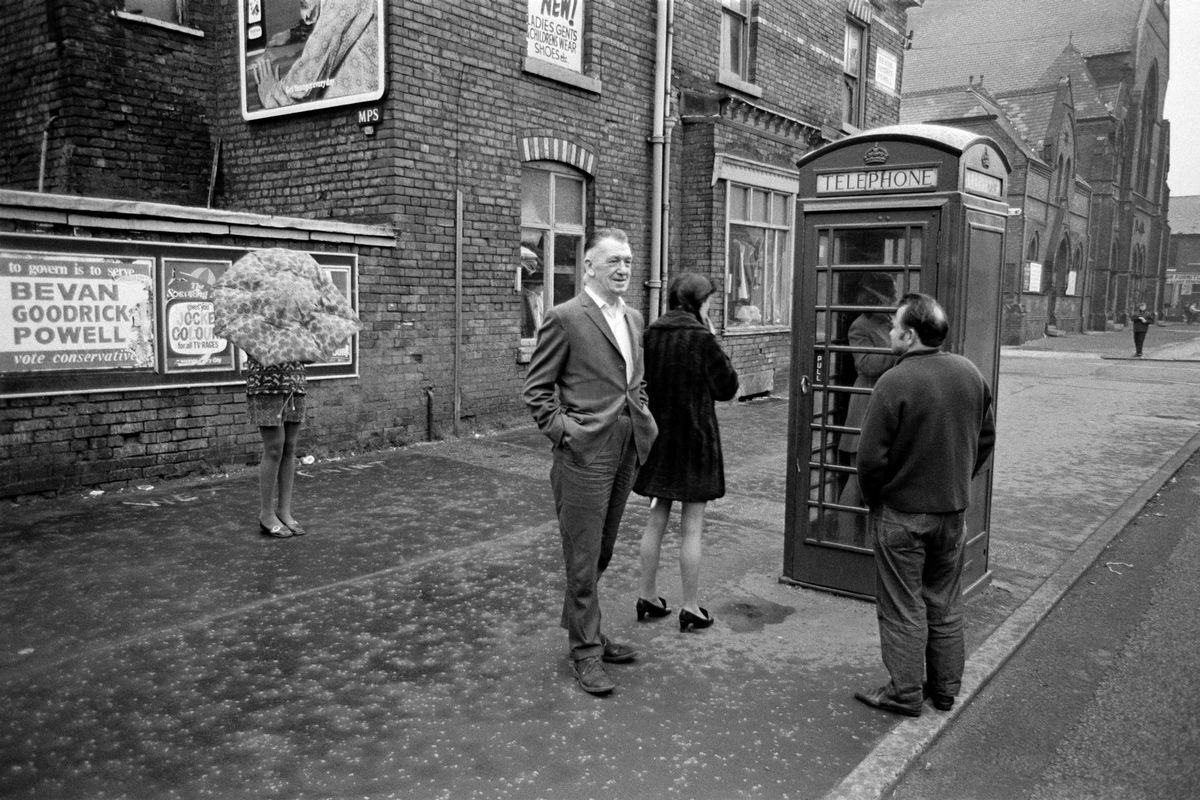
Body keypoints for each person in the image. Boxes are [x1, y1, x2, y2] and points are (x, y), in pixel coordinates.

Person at [523, 228, 659, 695]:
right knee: (581, 558)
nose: (623, 269)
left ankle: (588, 630)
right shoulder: (565, 318)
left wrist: (644, 419)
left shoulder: (635, 318)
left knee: (600, 550)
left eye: (627, 261)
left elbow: (634, 382)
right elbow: (537, 391)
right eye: (612, 262)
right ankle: (585, 652)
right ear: (588, 268)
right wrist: (568, 433)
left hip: (626, 446)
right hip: (584, 452)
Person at [852, 293, 995, 717]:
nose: (891, 333)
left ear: (910, 335)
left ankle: (905, 692)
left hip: (902, 514)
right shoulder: (970, 373)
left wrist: (877, 499)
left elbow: (869, 459)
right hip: (952, 512)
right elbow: (985, 440)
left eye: (896, 327)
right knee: (945, 601)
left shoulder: (894, 381)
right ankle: (946, 690)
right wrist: (955, 481)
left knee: (902, 605)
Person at [633, 273, 739, 632]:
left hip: (659, 440)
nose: (711, 306)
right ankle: (691, 606)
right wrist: (713, 337)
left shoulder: (650, 334)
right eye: (708, 300)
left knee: (656, 518)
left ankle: (647, 595)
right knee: (691, 528)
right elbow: (727, 388)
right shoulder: (702, 338)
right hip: (695, 444)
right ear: (697, 302)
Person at [836, 273, 899, 547]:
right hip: (866, 404)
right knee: (857, 479)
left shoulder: (890, 320)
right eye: (892, 294)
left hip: (889, 405)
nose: (895, 299)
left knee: (882, 483)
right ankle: (843, 541)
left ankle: (873, 544)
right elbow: (865, 365)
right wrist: (897, 349)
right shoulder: (859, 325)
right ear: (878, 296)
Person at [246, 356, 308, 539]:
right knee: (274, 447)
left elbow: (309, 356)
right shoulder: (257, 326)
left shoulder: (297, 325)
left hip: (296, 384)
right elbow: (253, 347)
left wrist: (307, 353)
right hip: (265, 384)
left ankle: (284, 511)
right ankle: (266, 514)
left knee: (289, 447)